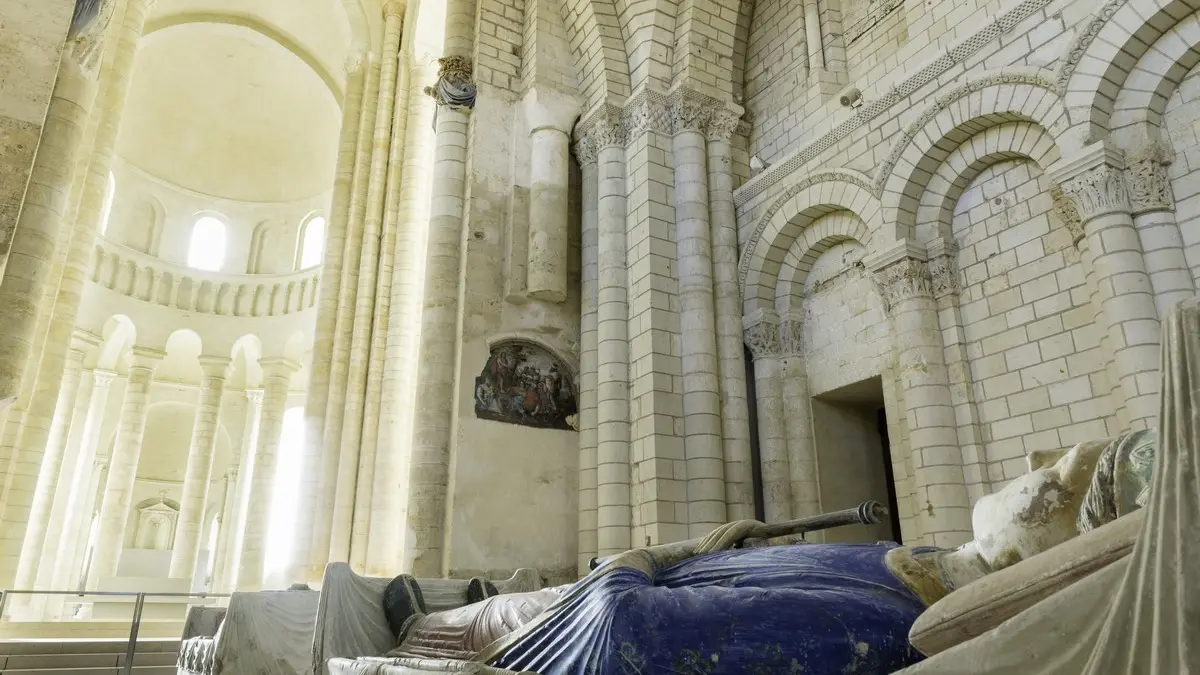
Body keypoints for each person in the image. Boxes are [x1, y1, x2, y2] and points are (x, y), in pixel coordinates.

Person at [373, 435, 1128, 675]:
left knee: (519, 606)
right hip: (649, 586)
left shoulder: (891, 615)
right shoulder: (923, 566)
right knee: (529, 594)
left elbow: (630, 630)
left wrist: (659, 551)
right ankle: (463, 604)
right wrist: (723, 547)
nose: (1038, 461)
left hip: (580, 628)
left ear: (1046, 527)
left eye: (1057, 478)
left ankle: (422, 630)